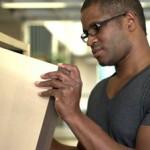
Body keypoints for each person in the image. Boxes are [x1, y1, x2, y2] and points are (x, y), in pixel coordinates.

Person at [35, 0, 150, 149]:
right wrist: (45, 143)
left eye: (96, 28)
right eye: (86, 34)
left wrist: (73, 114)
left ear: (129, 21)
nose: (89, 41)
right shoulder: (99, 91)